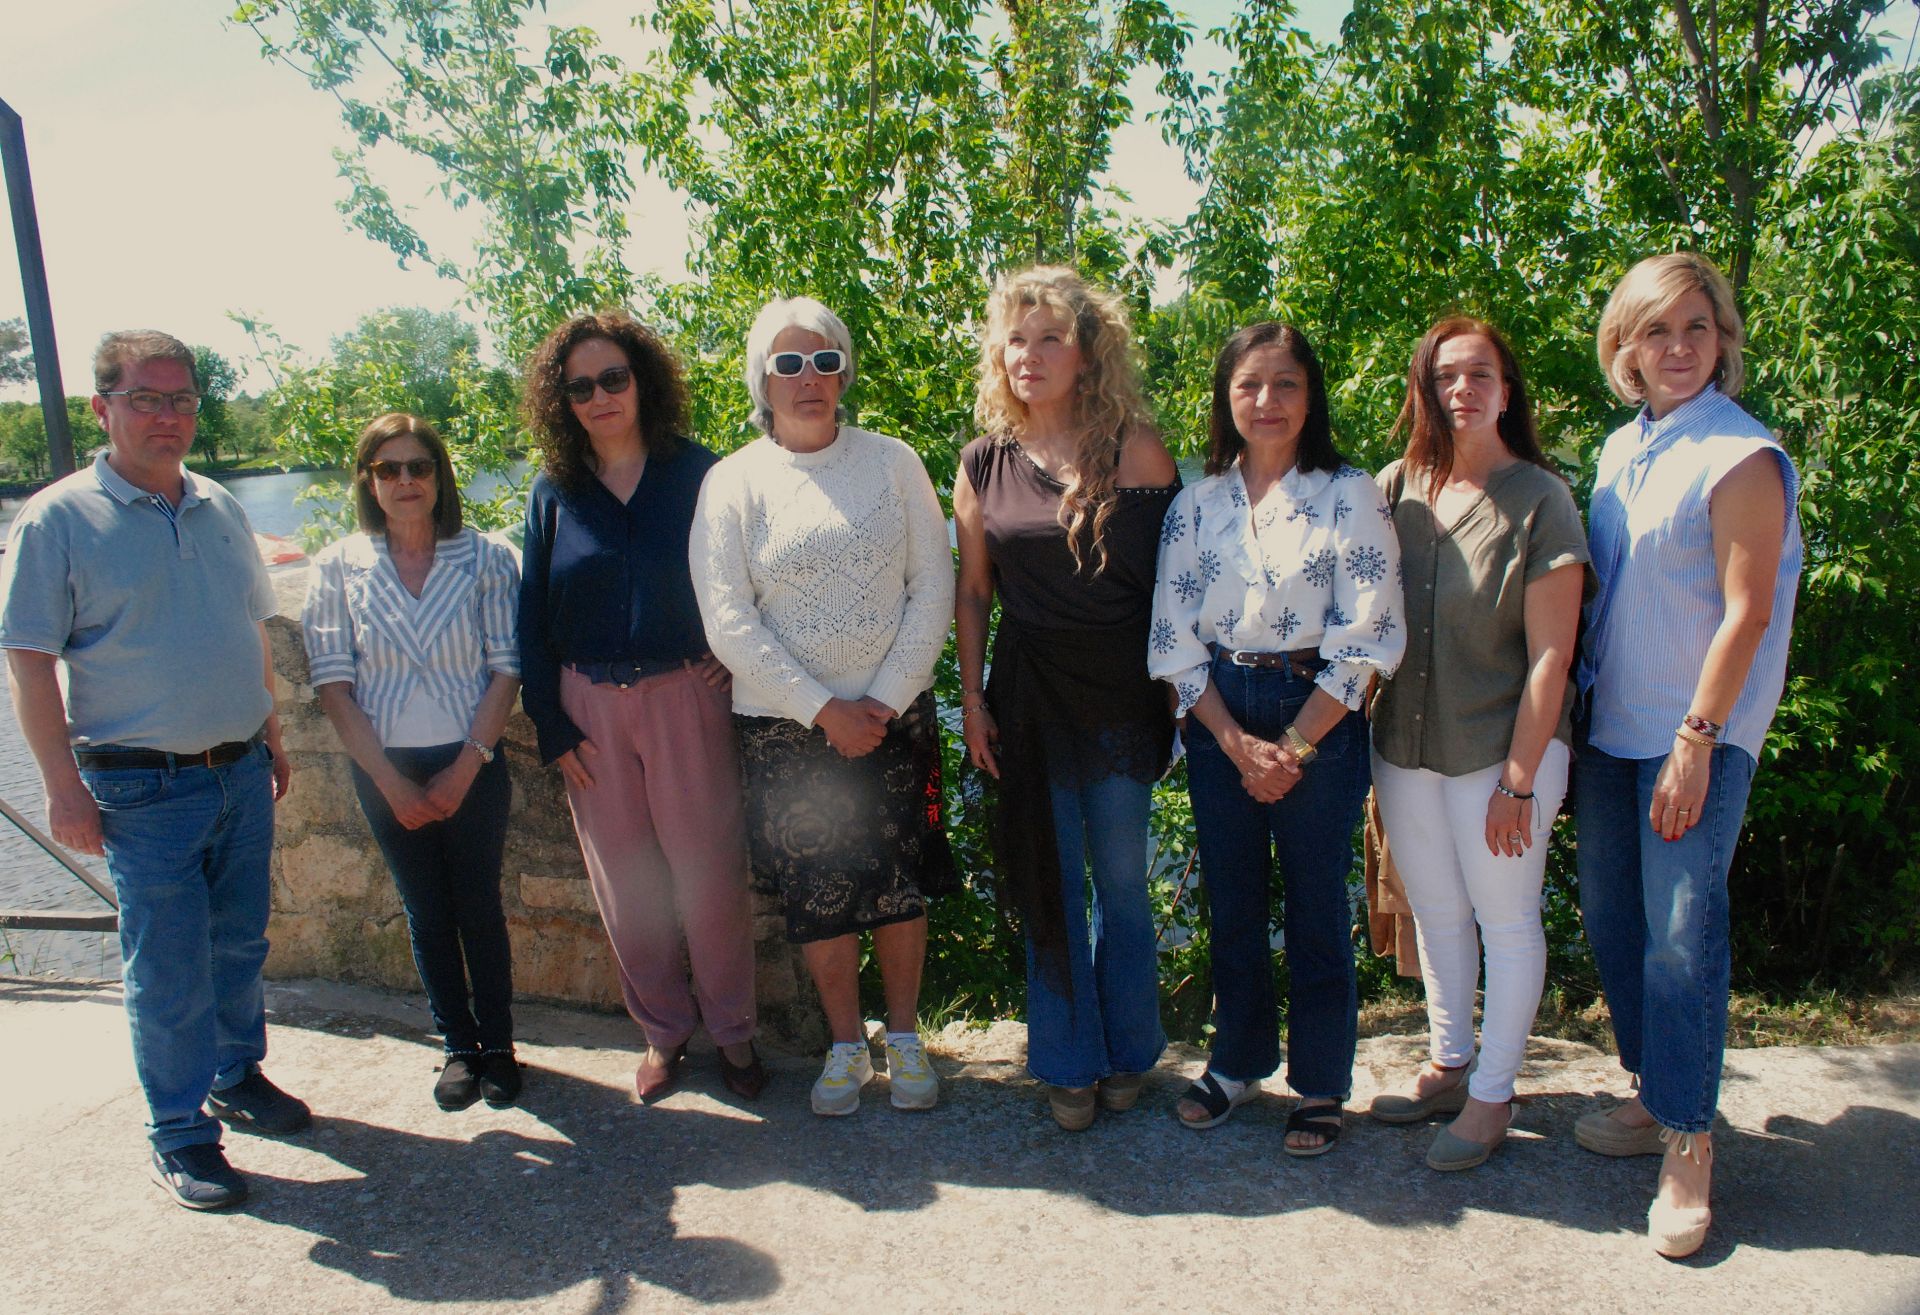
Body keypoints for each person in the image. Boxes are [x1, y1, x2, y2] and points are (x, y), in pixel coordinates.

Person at [0, 330, 305, 1210]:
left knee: (241, 944)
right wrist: (63, 789)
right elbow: (27, 663)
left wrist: (274, 737)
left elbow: (252, 629)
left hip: (239, 768)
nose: (167, 417)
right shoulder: (57, 519)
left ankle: (234, 1075)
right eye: (146, 398)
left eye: (181, 400)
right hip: (141, 788)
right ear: (103, 408)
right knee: (168, 967)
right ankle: (179, 1133)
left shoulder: (218, 506)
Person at [1574, 253, 1801, 1258]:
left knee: (1679, 937)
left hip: (1692, 737)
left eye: (1695, 329)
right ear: (1624, 348)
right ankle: (1652, 1091)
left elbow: (1747, 611)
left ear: (1723, 341)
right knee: (1614, 923)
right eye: (1654, 332)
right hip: (1611, 731)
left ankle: (1689, 1144)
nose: (1676, 348)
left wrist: (1699, 740)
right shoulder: (1622, 449)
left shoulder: (1740, 455)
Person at [692, 295, 955, 1117]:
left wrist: (880, 698)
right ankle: (848, 1047)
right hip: (785, 729)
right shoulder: (731, 481)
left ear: (844, 374)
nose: (810, 379)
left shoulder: (894, 460)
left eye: (826, 362)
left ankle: (905, 1039)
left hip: (892, 714)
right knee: (820, 889)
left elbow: (933, 583)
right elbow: (726, 615)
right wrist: (821, 708)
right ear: (761, 381)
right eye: (790, 364)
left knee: (897, 882)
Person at [1149, 322, 1404, 1152]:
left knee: (1317, 908)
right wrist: (1230, 742)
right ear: (1227, 398)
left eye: (1286, 383)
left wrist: (1292, 746)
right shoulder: (1196, 500)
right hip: (1221, 708)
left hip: (1317, 709)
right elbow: (1173, 638)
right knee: (1234, 901)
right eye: (1250, 385)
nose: (1268, 401)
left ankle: (1323, 1080)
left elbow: (1369, 635)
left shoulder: (1351, 491)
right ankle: (1236, 1061)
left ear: (1311, 395)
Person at [517, 312, 763, 1102]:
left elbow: (749, 584)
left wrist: (733, 663)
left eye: (613, 378)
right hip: (588, 710)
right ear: (564, 401)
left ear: (642, 380)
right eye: (580, 385)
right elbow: (530, 614)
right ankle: (664, 1033)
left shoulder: (701, 474)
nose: (599, 396)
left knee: (709, 880)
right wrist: (551, 725)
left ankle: (734, 1033)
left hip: (685, 699)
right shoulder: (555, 492)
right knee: (627, 886)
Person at [954, 267, 1178, 1131]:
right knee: (1050, 883)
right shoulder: (982, 463)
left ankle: (1129, 1048)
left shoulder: (1137, 449)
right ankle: (1065, 1058)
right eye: (1016, 338)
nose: (1030, 354)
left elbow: (1175, 590)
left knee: (1122, 882)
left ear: (1088, 354)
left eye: (1050, 337)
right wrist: (972, 698)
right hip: (1028, 695)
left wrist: (1180, 694)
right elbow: (974, 592)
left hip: (1123, 690)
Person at [1364, 318, 1589, 1170]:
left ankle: (1495, 1095)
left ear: (1507, 389)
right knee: (1439, 913)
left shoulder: (1541, 498)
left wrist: (1522, 780)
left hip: (1504, 750)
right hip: (1405, 746)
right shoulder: (1397, 487)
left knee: (1505, 919)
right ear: (1425, 388)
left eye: (1481, 374)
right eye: (1447, 375)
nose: (1464, 389)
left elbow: (1553, 656)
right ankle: (1451, 1064)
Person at [302, 413, 523, 1111]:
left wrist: (464, 768)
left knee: (480, 907)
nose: (405, 480)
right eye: (388, 468)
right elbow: (334, 688)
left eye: (418, 466)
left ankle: (500, 1049)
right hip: (384, 766)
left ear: (439, 476)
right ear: (368, 480)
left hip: (474, 759)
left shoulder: (486, 558)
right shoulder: (338, 566)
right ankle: (457, 1046)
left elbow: (506, 669)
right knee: (426, 911)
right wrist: (392, 782)